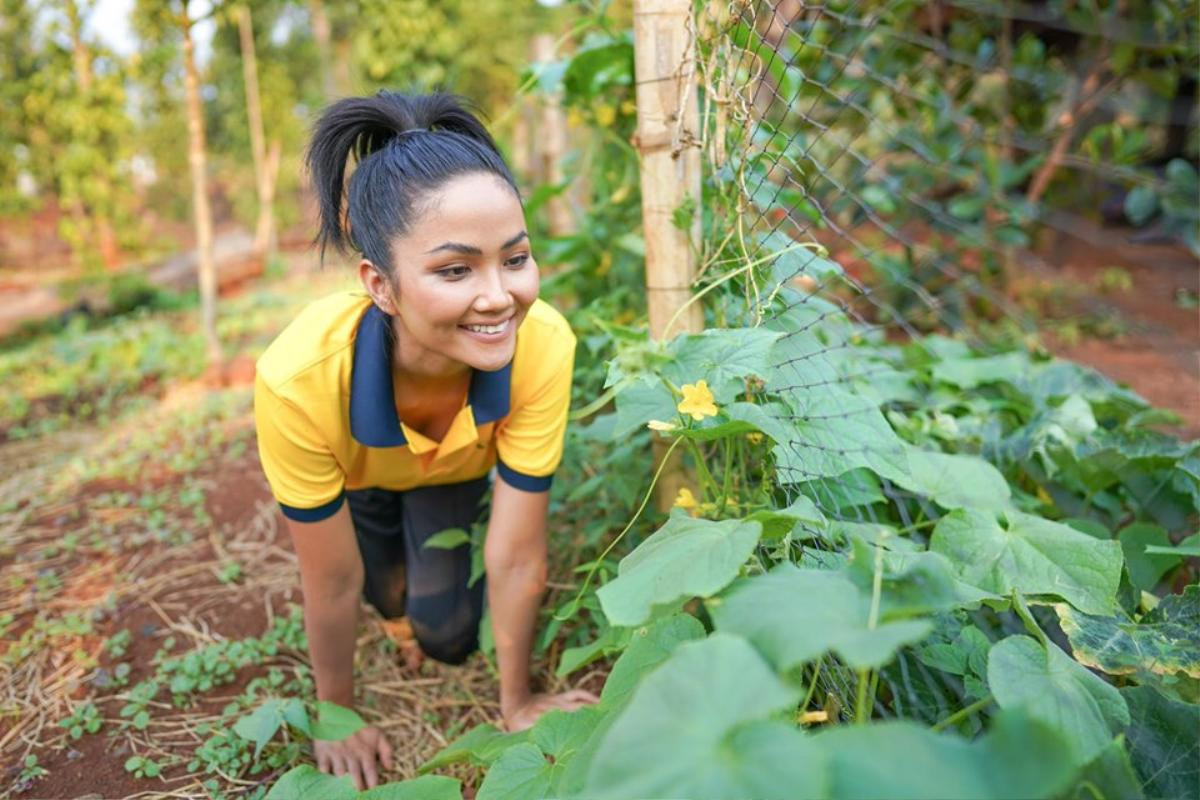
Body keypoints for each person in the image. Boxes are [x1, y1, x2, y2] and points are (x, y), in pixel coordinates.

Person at [253, 91, 597, 790]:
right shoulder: (297, 380)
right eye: (454, 269)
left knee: (444, 638)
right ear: (380, 285)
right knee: (382, 591)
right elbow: (330, 578)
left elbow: (517, 551)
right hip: (361, 482)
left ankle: (420, 593)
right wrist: (337, 714)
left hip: (452, 476)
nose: (499, 296)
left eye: (516, 258)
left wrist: (518, 702)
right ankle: (392, 583)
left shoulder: (543, 344)